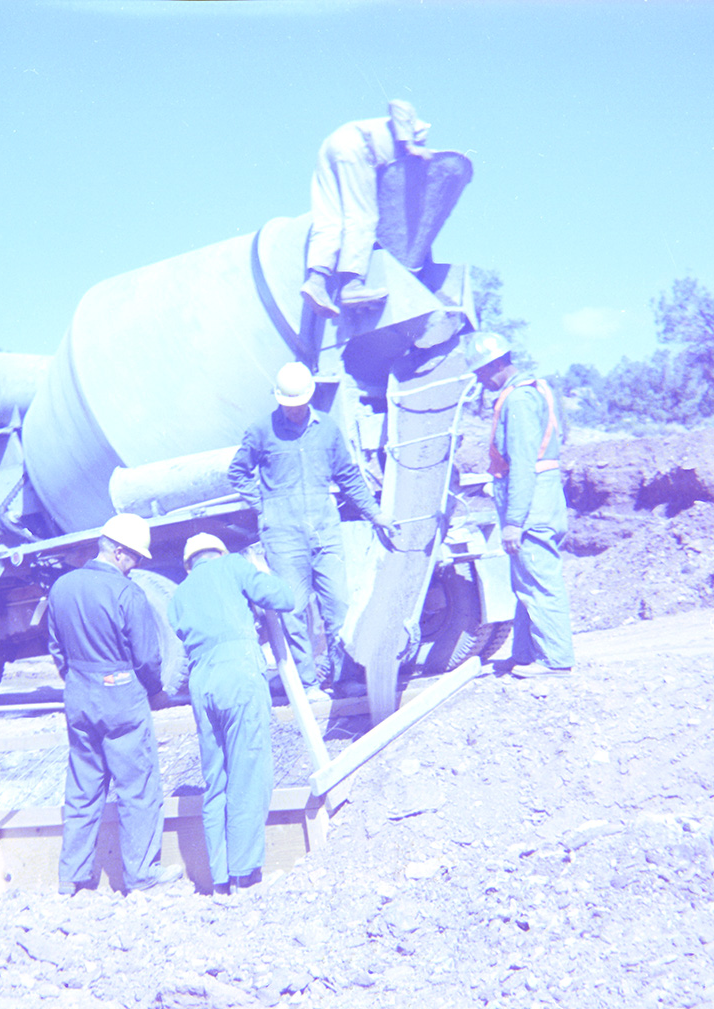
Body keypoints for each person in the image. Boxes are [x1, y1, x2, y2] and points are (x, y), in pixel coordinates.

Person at [228, 361, 393, 693]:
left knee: (339, 605)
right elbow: (238, 472)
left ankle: (345, 678)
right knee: (293, 610)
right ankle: (307, 684)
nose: (292, 410)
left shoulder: (328, 430)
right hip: (283, 536)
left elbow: (348, 476)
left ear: (309, 397)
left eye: (298, 404)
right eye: (286, 405)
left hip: (325, 530)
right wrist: (264, 507)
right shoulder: (261, 431)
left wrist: (375, 514)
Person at [47, 512, 182, 895]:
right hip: (121, 695)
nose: (136, 565)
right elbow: (147, 657)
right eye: (135, 557)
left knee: (82, 789)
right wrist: (154, 691)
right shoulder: (127, 592)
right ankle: (141, 875)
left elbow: (56, 648)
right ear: (119, 552)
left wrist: (78, 680)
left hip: (79, 694)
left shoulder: (62, 587)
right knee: (137, 788)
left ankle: (72, 877)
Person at [167, 533, 295, 894]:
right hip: (237, 673)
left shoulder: (179, 595)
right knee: (249, 773)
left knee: (217, 780)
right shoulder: (234, 566)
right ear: (220, 553)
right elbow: (285, 598)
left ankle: (221, 879)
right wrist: (258, 572)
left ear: (189, 565)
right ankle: (247, 874)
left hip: (201, 681)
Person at [464, 331, 575, 678]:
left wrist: (514, 521)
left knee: (539, 581)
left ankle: (555, 660)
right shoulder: (532, 391)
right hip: (541, 497)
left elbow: (524, 463)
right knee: (525, 581)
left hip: (531, 503)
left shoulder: (518, 400)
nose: (479, 380)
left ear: (497, 364)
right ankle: (525, 653)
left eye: (481, 371)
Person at [301, 99, 432, 317]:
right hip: (358, 147)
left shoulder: (390, 153)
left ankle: (316, 281)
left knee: (330, 220)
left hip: (332, 146)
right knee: (363, 217)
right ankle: (352, 285)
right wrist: (410, 144)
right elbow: (398, 104)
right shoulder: (411, 133)